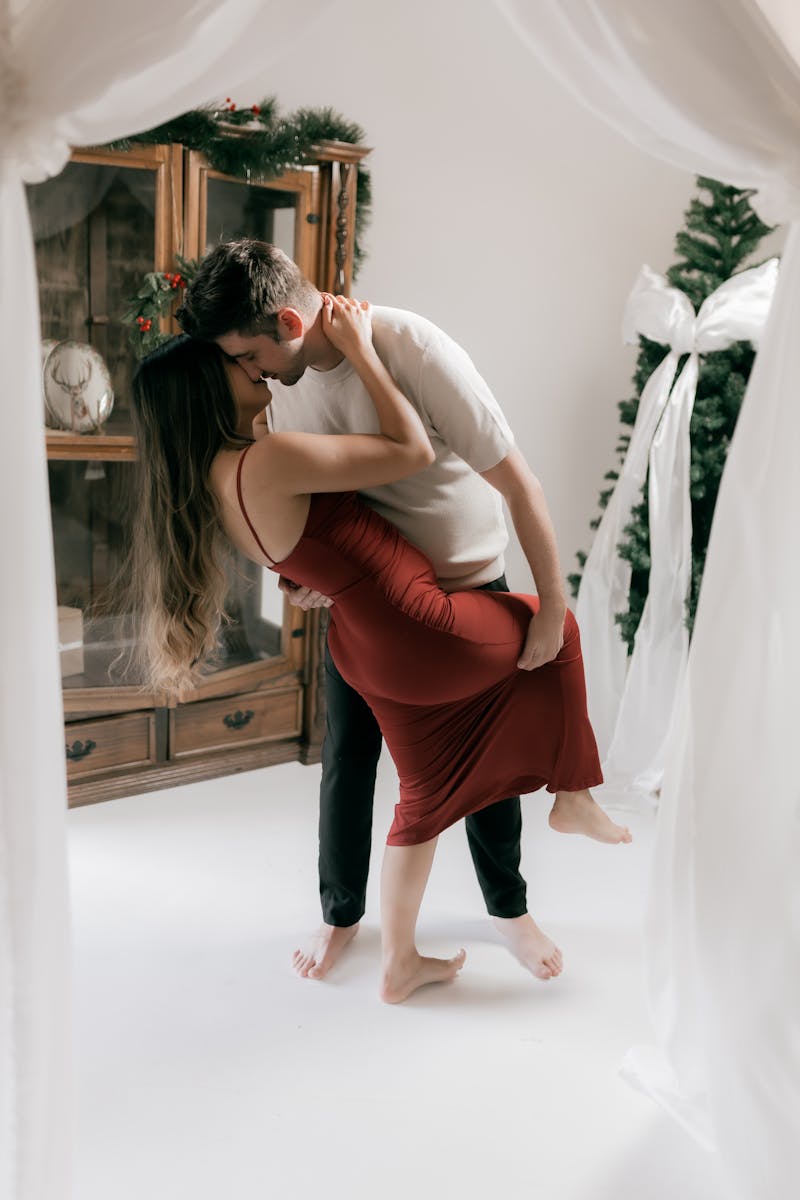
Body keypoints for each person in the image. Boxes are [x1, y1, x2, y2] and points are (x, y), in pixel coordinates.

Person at [129, 296, 630, 1004]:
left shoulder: (221, 472)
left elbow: (301, 540)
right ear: (207, 390)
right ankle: (571, 796)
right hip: (415, 627)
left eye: (246, 356)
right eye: (236, 365)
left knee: (424, 795)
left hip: (367, 639)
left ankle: (407, 958)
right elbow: (410, 451)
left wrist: (303, 576)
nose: (252, 372)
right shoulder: (269, 453)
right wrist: (363, 353)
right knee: (559, 631)